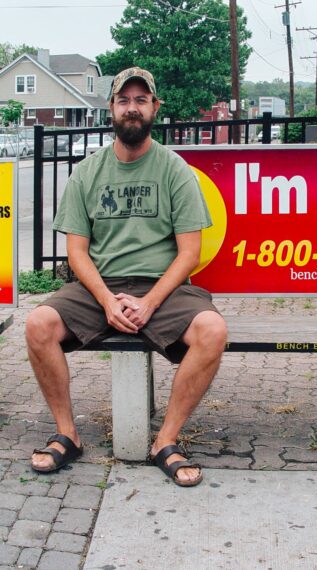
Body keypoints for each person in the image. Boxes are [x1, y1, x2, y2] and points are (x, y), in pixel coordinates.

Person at [25, 67, 227, 487]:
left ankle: (165, 442)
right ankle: (67, 433)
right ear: (111, 109)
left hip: (162, 288)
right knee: (37, 323)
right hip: (99, 285)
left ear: (155, 107)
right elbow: (77, 252)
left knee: (212, 329)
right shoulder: (87, 172)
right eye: (123, 100)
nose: (131, 108)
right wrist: (106, 300)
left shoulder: (175, 170)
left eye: (140, 100)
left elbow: (190, 252)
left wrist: (150, 301)